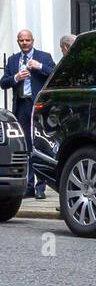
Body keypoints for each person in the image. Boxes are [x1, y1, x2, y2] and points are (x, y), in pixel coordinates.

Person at [1, 29, 55, 199]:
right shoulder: (12, 60)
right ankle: (29, 186)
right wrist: (16, 77)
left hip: (39, 105)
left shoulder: (44, 56)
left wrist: (39, 67)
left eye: (27, 40)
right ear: (18, 42)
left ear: (33, 41)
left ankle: (41, 187)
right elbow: (3, 83)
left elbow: (54, 75)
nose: (24, 43)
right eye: (21, 40)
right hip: (22, 105)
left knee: (41, 144)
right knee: (26, 145)